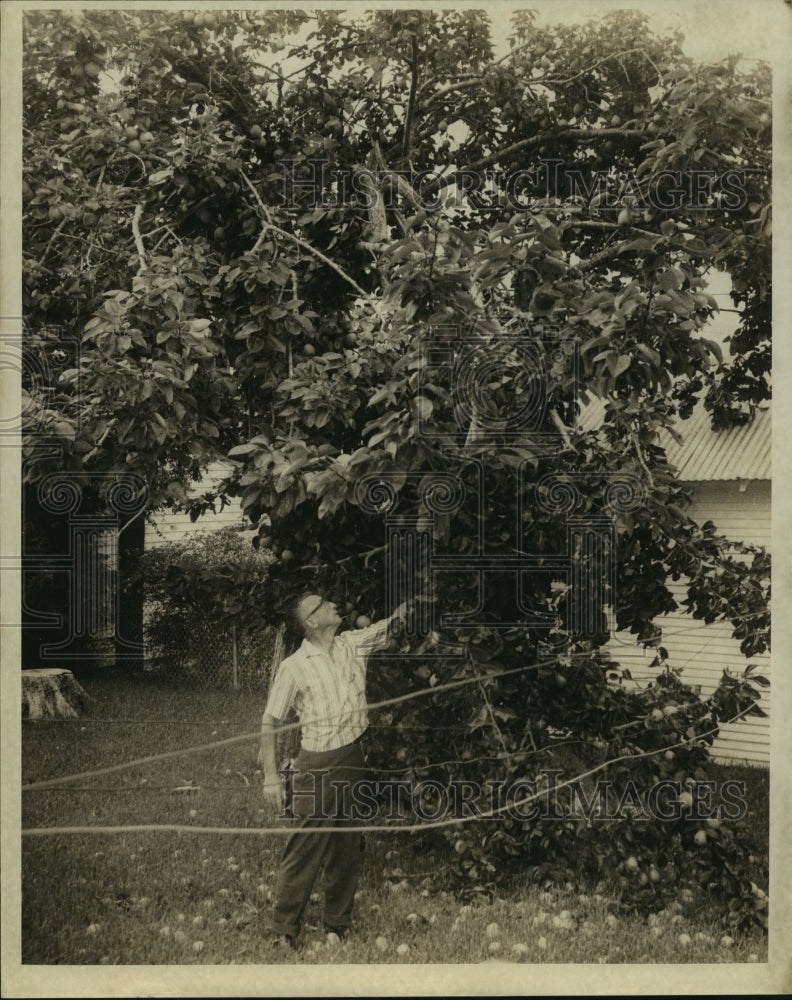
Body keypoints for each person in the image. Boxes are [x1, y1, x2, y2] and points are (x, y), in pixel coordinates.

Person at [259, 593, 407, 949]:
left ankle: (336, 925)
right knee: (306, 846)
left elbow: (393, 626)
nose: (332, 606)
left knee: (348, 845)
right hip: (316, 764)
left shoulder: (352, 644)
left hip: (353, 758)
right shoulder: (294, 666)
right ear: (311, 621)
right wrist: (270, 776)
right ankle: (283, 929)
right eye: (322, 605)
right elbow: (271, 720)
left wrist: (416, 597)